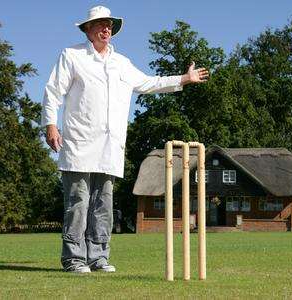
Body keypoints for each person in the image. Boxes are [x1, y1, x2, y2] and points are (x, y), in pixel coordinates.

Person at [41, 5, 209, 274]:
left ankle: (98, 258)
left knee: (103, 204)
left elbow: (149, 83)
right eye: (100, 24)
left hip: (110, 147)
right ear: (88, 29)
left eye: (109, 25)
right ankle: (74, 259)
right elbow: (52, 91)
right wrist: (50, 124)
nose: (106, 28)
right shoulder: (71, 56)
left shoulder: (121, 63)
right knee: (78, 202)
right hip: (78, 143)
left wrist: (184, 79)